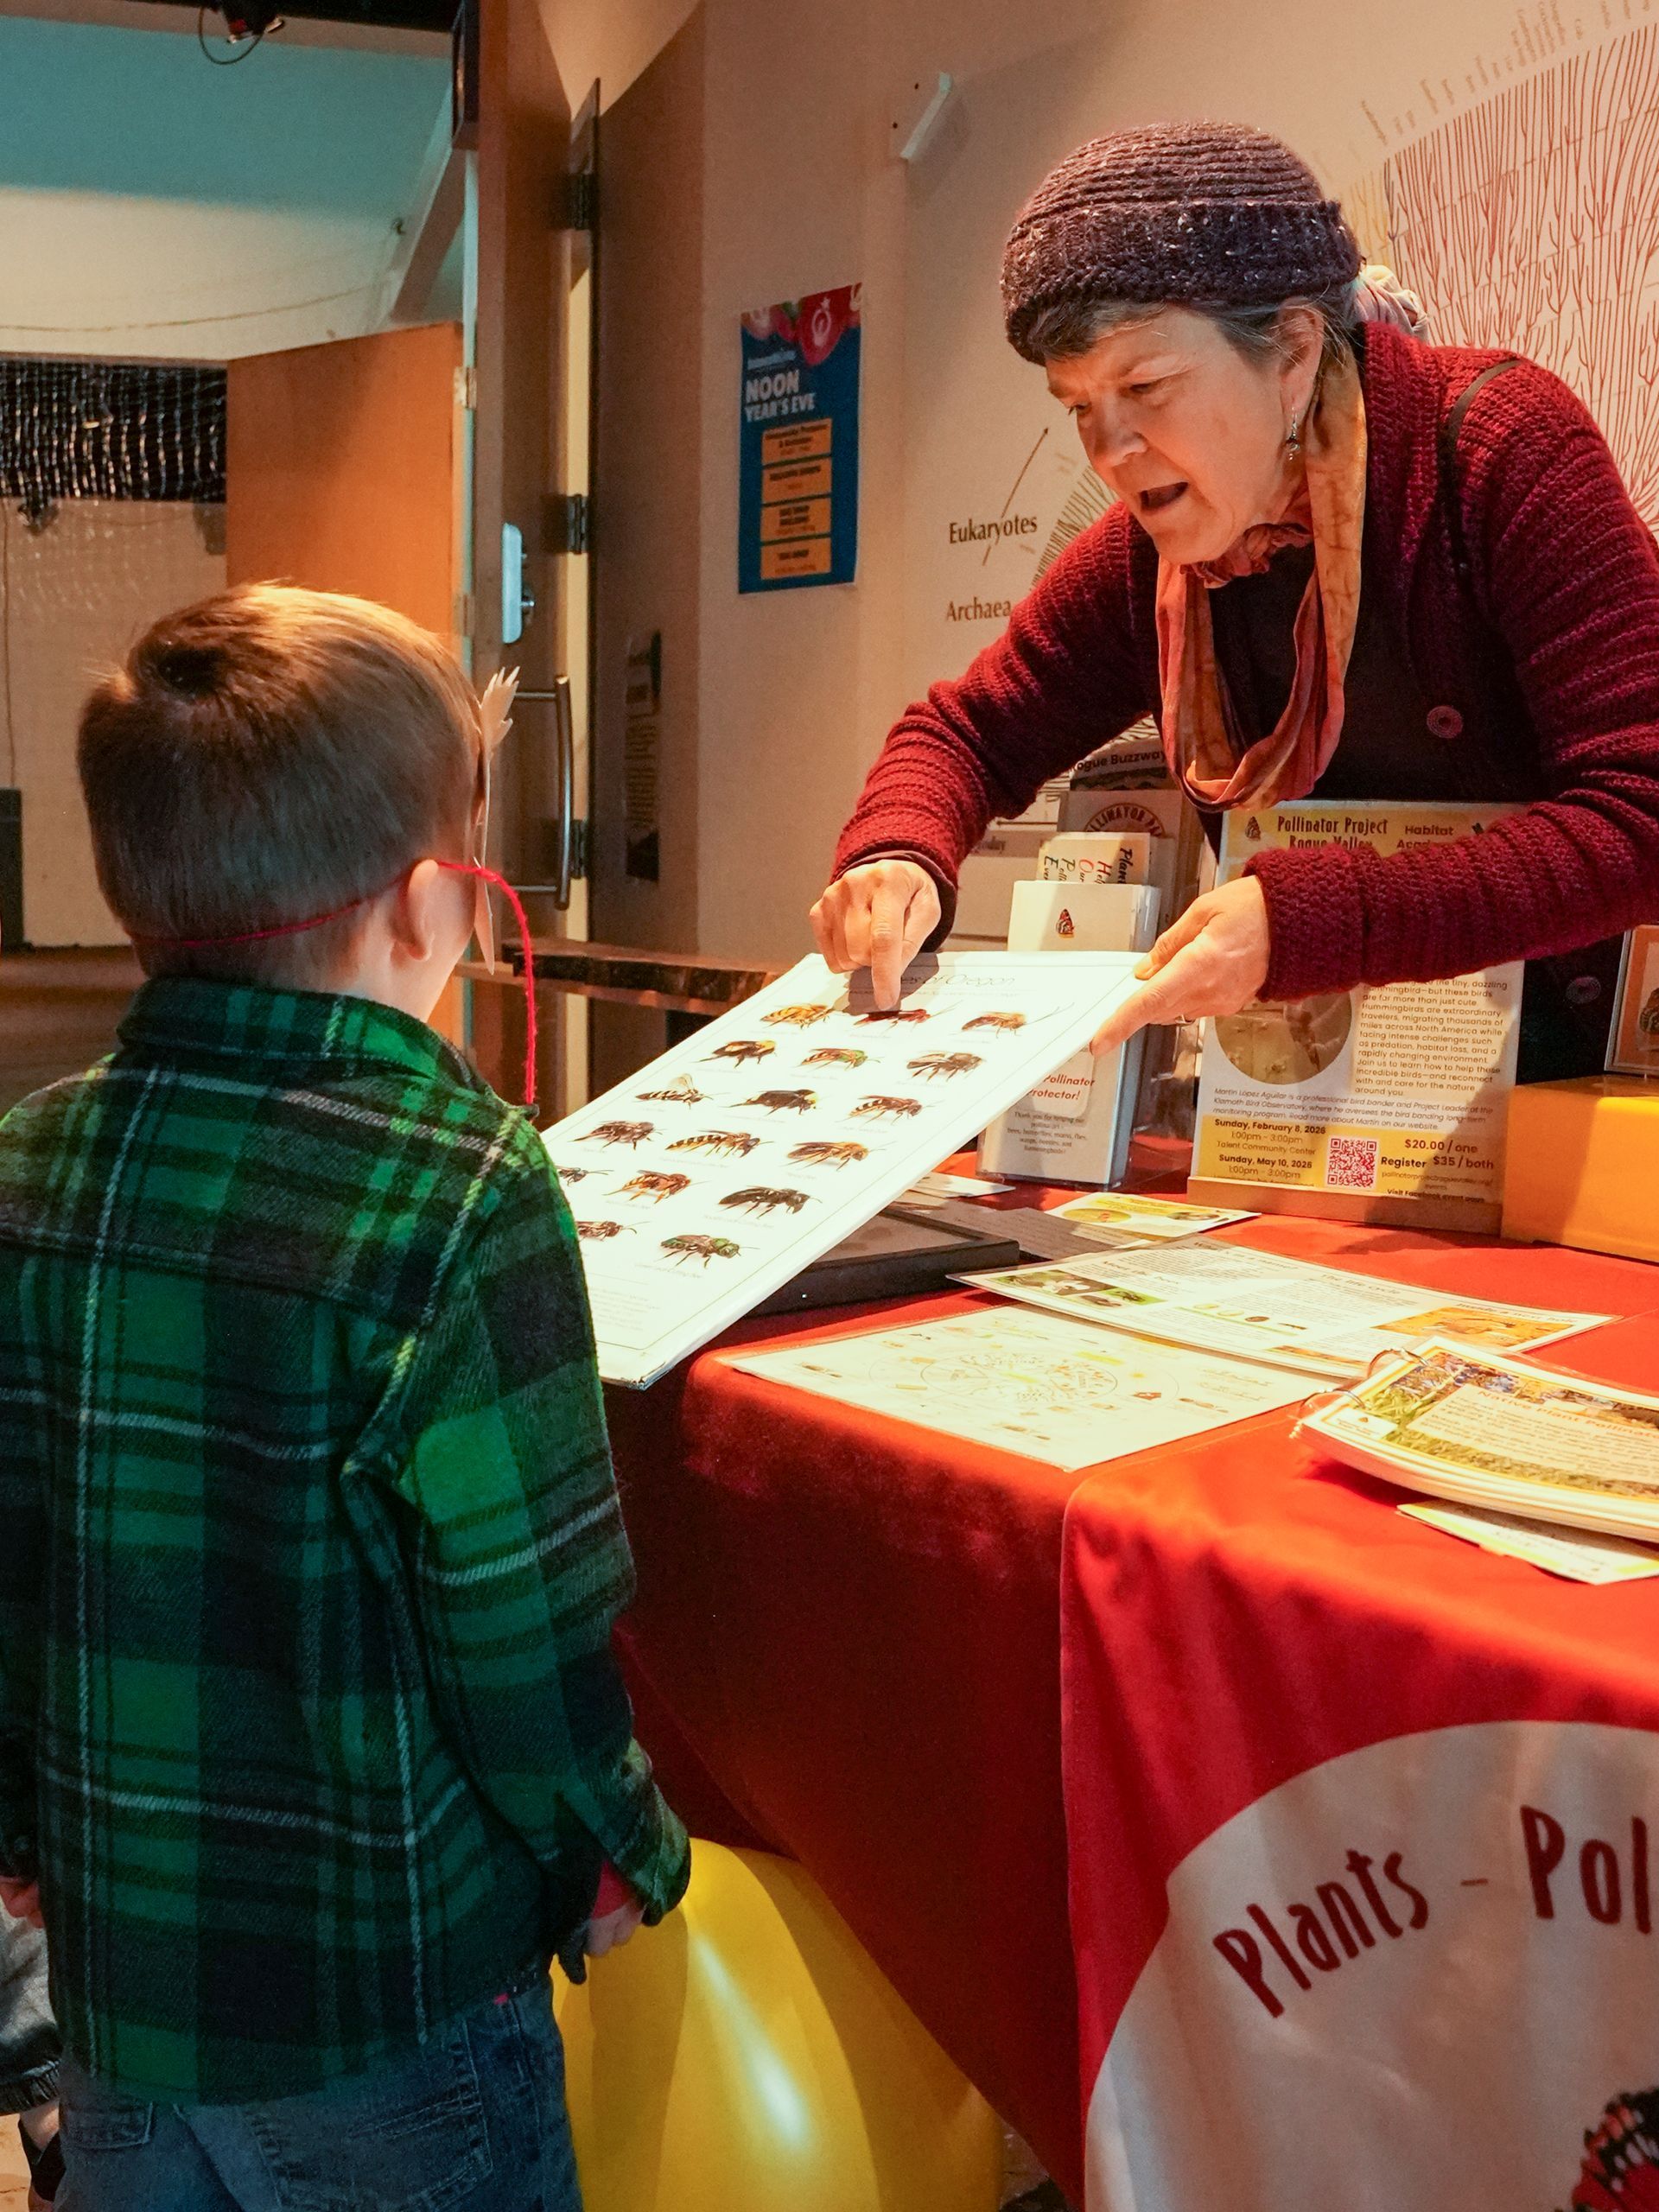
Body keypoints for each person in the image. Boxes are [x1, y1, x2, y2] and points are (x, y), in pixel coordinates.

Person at [0, 586, 690, 2210]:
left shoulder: (25, 1167)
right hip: (390, 2005)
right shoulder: (462, 1191)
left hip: (122, 1995)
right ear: (422, 910)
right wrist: (616, 1847)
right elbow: (526, 1628)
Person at [813, 121, 1659, 1082]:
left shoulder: (1500, 450)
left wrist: (1316, 922)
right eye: (1080, 406)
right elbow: (968, 735)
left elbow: (1643, 813)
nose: (1110, 451)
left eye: (1147, 385)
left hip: (1598, 1111)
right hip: (1345, 1128)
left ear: (1294, 349)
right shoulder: (1155, 565)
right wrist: (898, 855)